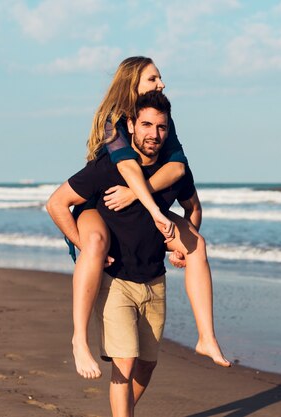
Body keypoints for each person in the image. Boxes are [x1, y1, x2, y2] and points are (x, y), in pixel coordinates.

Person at [63, 56, 229, 380]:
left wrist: (175, 237)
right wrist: (150, 206)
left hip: (138, 202)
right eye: (153, 79)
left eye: (160, 78)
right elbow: (125, 167)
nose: (161, 84)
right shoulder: (114, 122)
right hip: (102, 204)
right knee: (95, 242)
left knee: (198, 245)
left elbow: (178, 167)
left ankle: (206, 337)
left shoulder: (163, 118)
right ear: (132, 84)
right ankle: (79, 340)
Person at [48, 91, 199, 416]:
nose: (153, 134)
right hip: (116, 281)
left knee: (147, 366)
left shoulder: (175, 170)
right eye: (146, 124)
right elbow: (56, 204)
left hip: (154, 280)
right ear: (130, 124)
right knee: (125, 364)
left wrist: (183, 251)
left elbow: (193, 207)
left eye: (160, 127)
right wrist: (85, 245)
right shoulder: (109, 168)